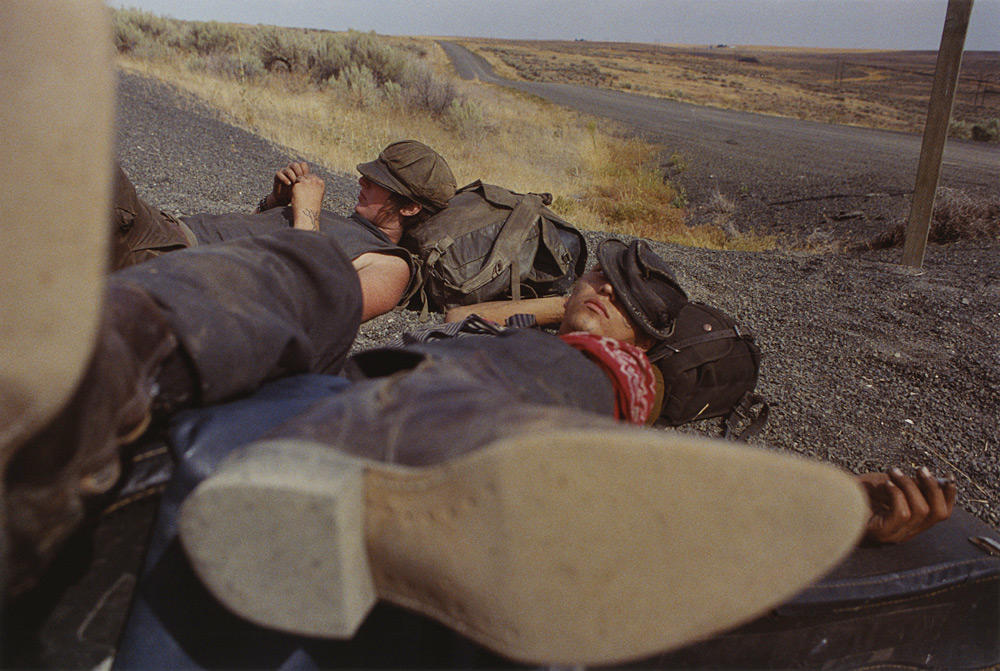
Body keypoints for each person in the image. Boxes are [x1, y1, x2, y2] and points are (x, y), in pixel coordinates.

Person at [112, 139, 456, 321]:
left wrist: (307, 211)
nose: (363, 181)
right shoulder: (348, 223)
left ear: (410, 208)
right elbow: (251, 236)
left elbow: (309, 312)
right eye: (369, 173)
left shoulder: (391, 267)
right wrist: (275, 202)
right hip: (170, 234)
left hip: (178, 261)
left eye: (378, 182)